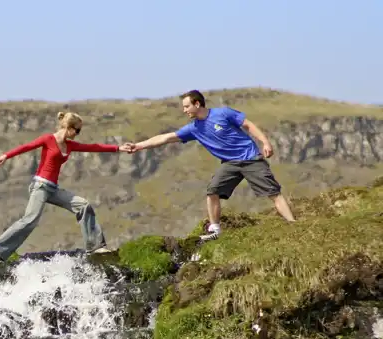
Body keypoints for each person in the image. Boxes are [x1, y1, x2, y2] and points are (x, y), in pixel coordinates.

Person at [122, 90, 296, 241]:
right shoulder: (193, 129)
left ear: (197, 104)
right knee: (212, 191)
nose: (184, 111)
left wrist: (265, 142)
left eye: (186, 106)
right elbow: (166, 137)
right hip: (230, 164)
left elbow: (248, 125)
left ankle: (294, 225)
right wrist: (139, 146)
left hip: (250, 158)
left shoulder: (223, 113)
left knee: (273, 193)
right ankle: (215, 229)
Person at [0, 111, 124, 262]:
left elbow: (93, 147)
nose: (78, 134)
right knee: (30, 219)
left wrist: (118, 148)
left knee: (83, 205)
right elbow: (27, 146)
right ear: (69, 128)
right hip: (40, 186)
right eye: (77, 130)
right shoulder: (48, 139)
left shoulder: (70, 145)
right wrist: (5, 156)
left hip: (53, 189)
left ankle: (96, 248)